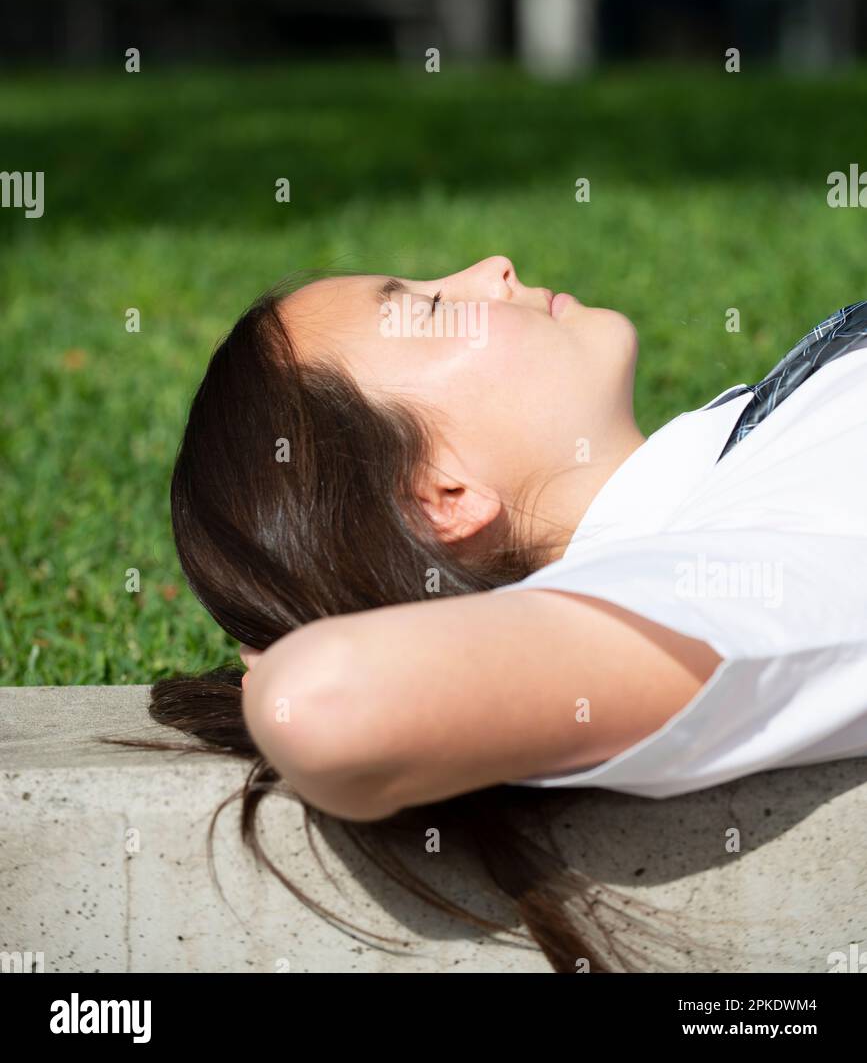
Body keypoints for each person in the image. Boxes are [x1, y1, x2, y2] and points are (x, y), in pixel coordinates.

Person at [110, 257, 867, 973]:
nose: (494, 268)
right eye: (429, 309)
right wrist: (284, 667)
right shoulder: (759, 550)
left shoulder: (739, 491)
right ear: (442, 496)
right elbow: (326, 701)